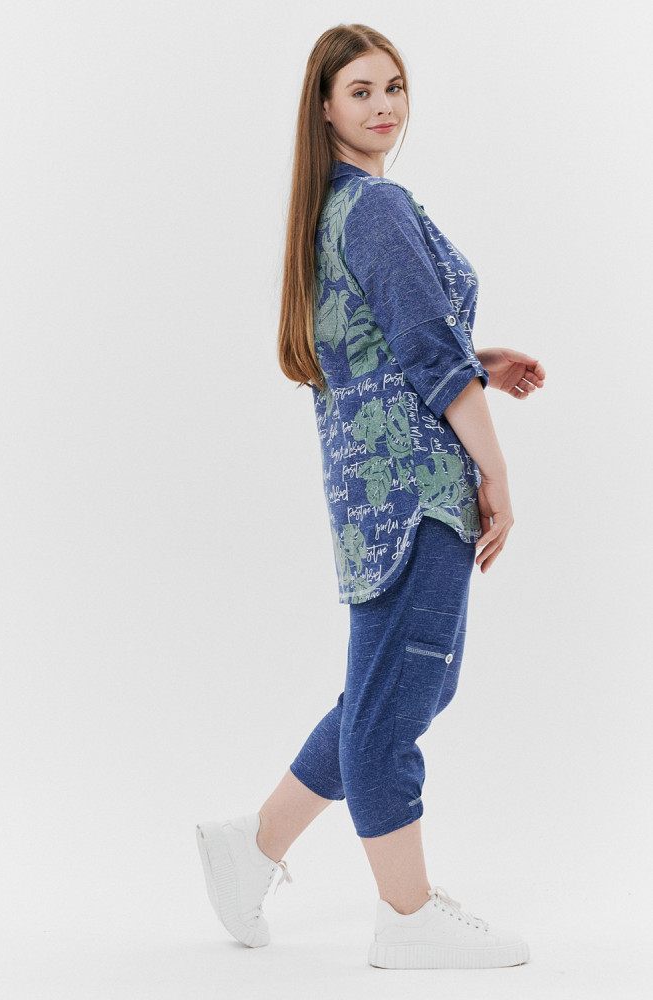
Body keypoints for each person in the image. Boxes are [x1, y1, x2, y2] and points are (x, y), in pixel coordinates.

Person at [196, 23, 545, 970]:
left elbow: (385, 344)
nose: (385, 104)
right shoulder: (375, 207)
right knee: (395, 706)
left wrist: (477, 359)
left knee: (400, 685)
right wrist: (495, 473)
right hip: (416, 493)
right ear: (324, 108)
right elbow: (426, 355)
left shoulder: (338, 208)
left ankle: (252, 845)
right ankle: (406, 915)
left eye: (394, 86)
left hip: (374, 493)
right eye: (361, 90)